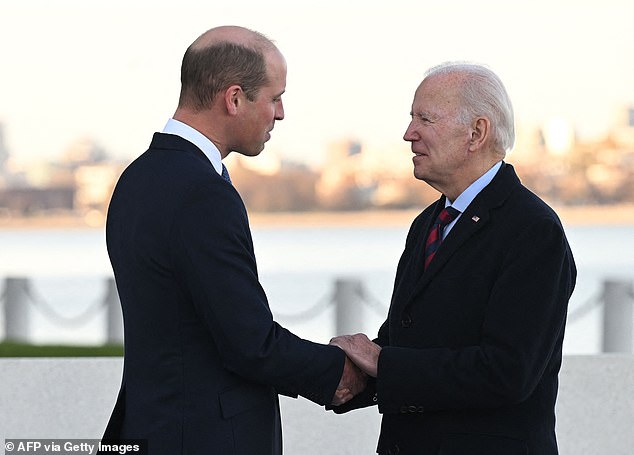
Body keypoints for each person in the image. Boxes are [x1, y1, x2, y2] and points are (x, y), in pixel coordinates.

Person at [101, 25, 365, 455]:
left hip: (149, 425)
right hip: (204, 437)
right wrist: (347, 373)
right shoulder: (202, 192)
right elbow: (250, 343)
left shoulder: (136, 178)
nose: (280, 113)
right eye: (275, 97)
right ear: (235, 98)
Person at [330, 62, 576, 455]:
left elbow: (508, 372)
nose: (409, 134)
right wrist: (338, 376)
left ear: (476, 133)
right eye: (412, 119)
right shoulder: (428, 223)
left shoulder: (533, 230)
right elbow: (406, 343)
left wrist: (384, 366)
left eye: (424, 119)